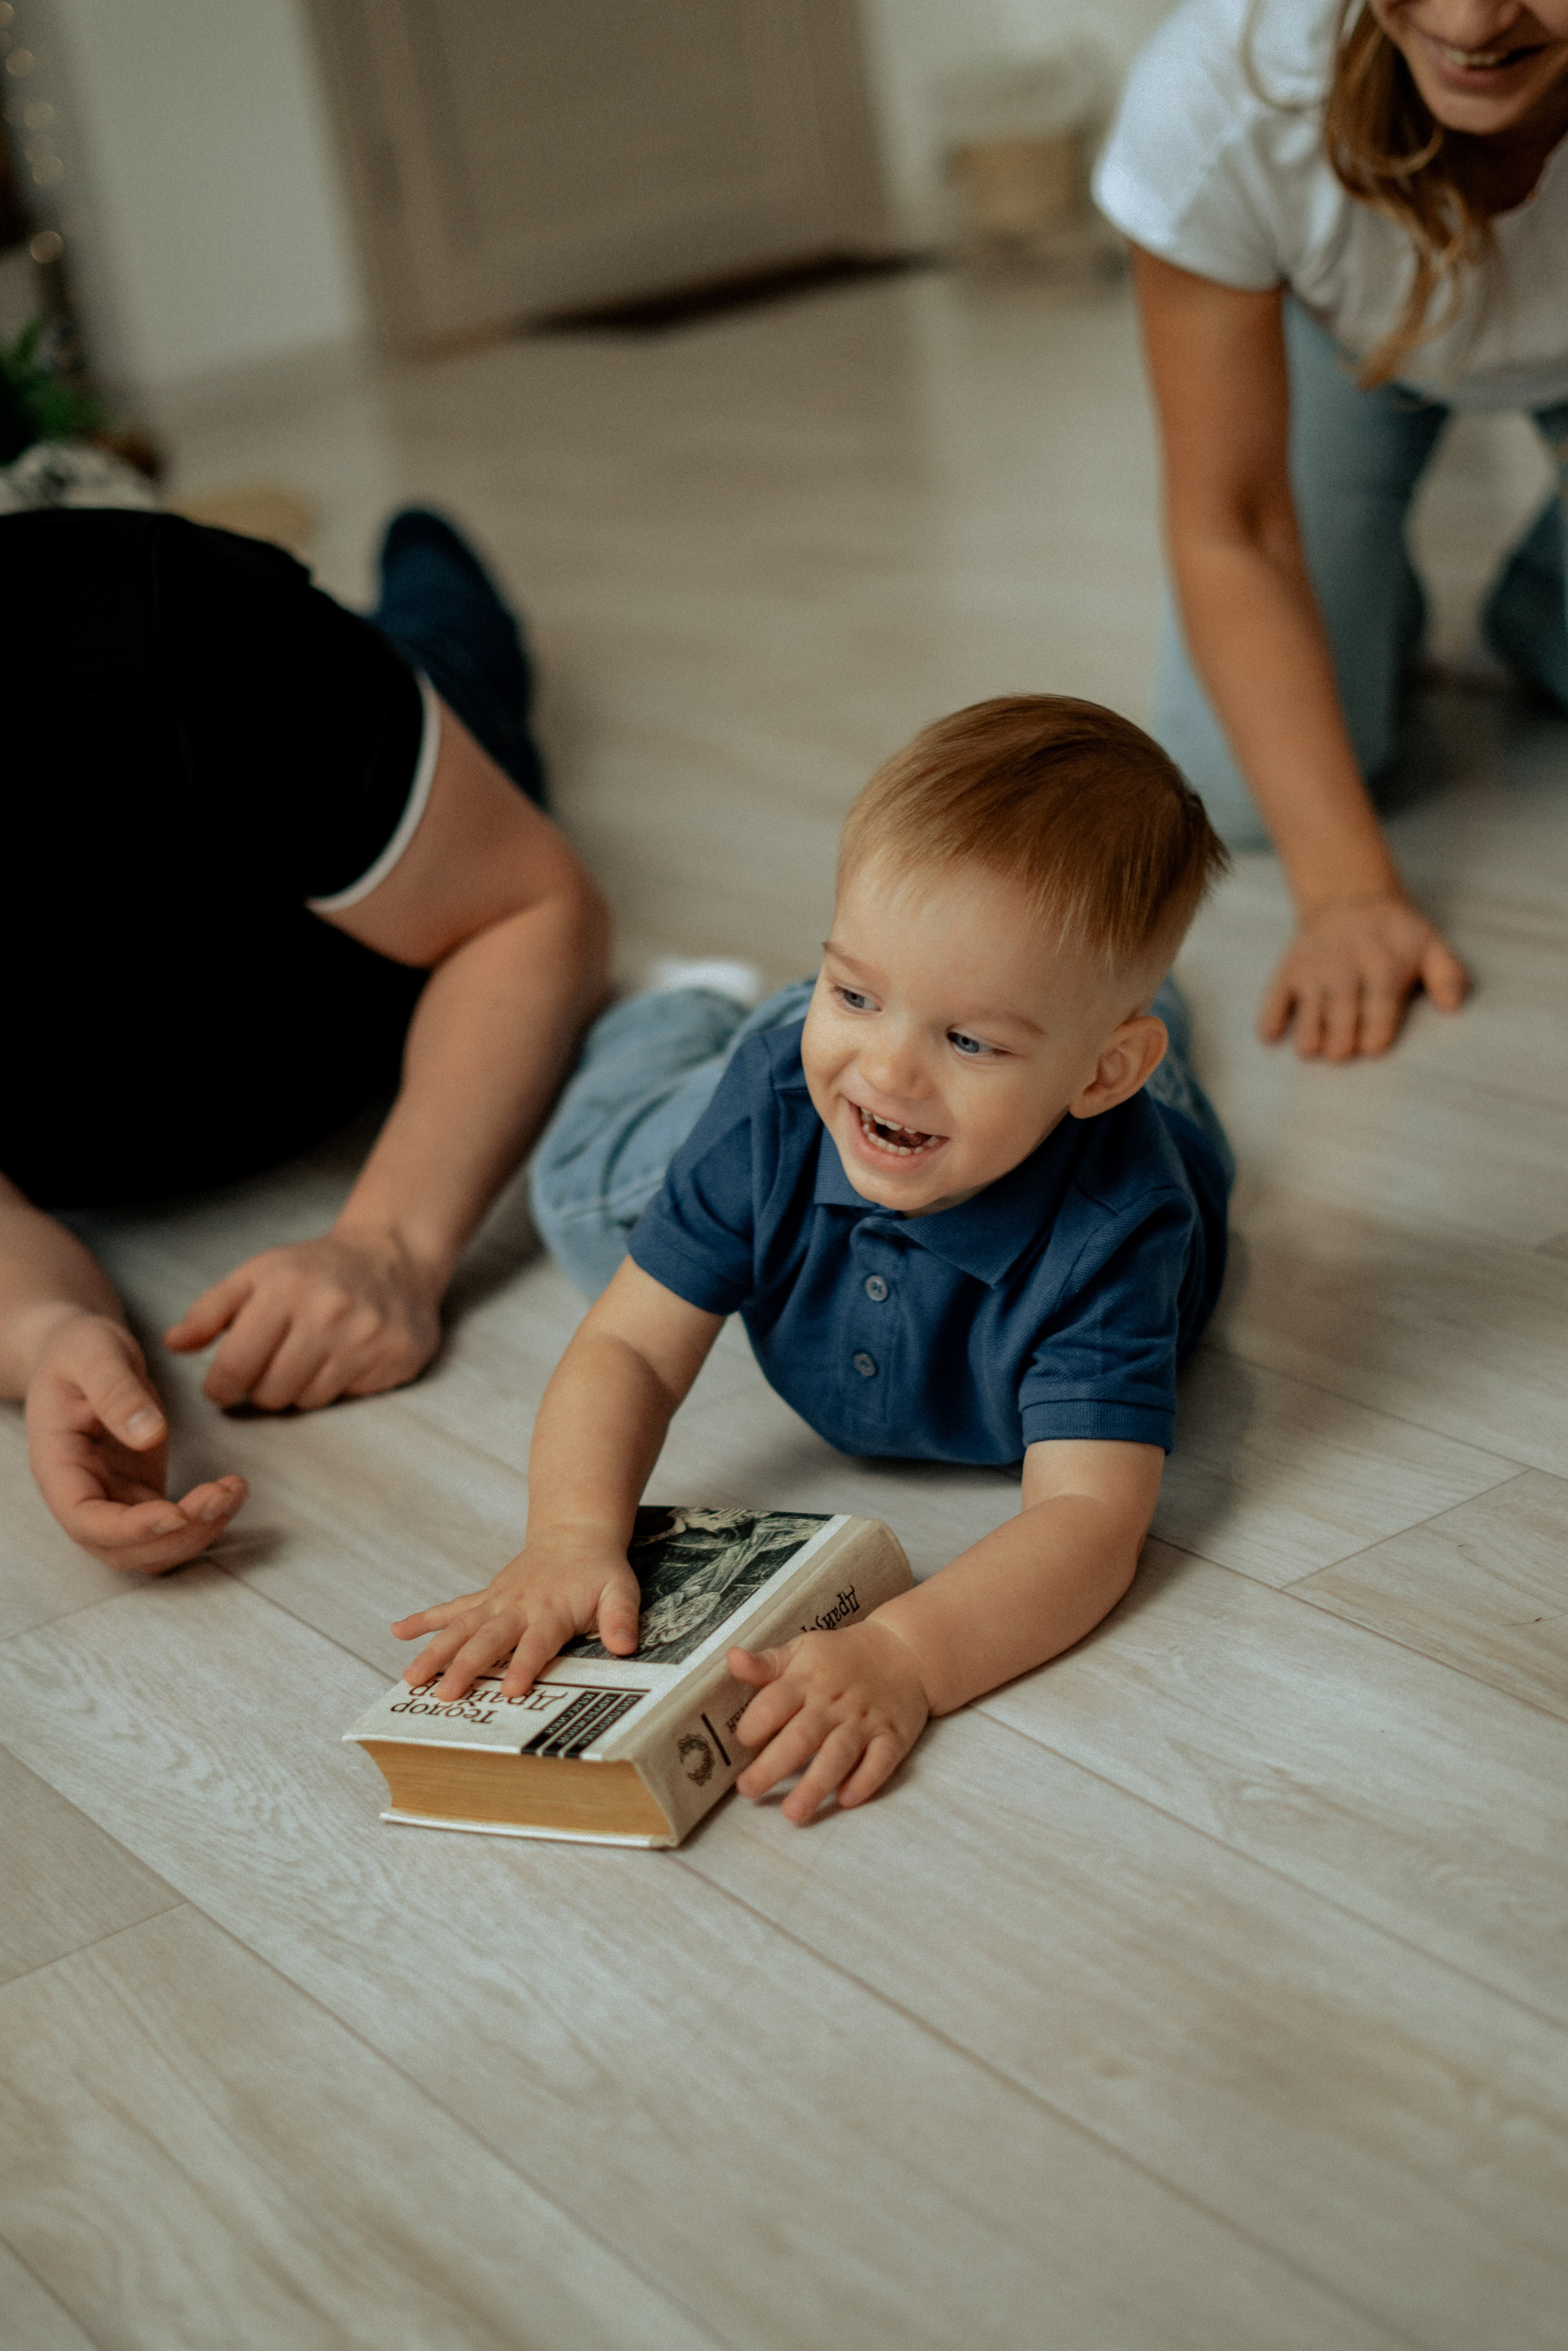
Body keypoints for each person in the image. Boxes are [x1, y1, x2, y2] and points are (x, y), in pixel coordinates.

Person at [393, 697, 1231, 1825]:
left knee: (1104, 999)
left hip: (1138, 1111)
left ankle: (1127, 1005)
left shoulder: (1119, 1224)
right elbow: (633, 1342)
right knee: (583, 1199)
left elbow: (1089, 1523)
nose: (888, 1070)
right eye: (855, 989)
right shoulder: (792, 1096)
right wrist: (570, 1536)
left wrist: (908, 1654)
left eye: (969, 1039)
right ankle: (686, 1004)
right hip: (795, 1075)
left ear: (1099, 1073)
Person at [1, 505, 609, 1574]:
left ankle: (429, 550)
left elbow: (530, 910)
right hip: (118, 1100)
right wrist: (47, 1330)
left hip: (369, 964)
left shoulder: (155, 616)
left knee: (449, 647)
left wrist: (389, 1246)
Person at [1095, 0, 1568, 1059]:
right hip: (1346, 341)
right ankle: (1365, 597)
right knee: (1237, 795)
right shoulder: (1225, 88)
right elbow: (1236, 526)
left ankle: (1541, 606)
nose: (1471, 20)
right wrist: (1348, 895)